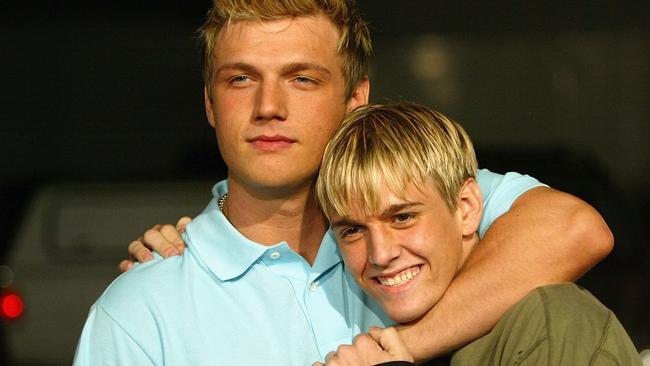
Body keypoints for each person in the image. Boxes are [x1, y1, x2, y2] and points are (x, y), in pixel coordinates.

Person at [75, 0, 614, 364]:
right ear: (210, 104)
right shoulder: (140, 308)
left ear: (355, 99)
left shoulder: (422, 214)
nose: (268, 107)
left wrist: (400, 346)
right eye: (241, 79)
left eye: (302, 79)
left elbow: (575, 229)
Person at [310, 102, 641, 365]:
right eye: (353, 230)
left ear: (466, 208)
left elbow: (579, 228)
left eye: (403, 218)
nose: (380, 253)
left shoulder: (548, 321)